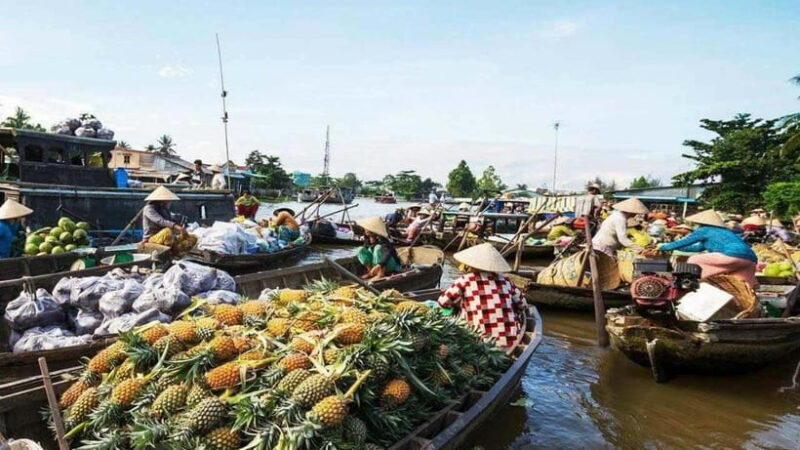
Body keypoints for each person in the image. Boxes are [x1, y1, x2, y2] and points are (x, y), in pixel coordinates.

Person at [437, 243, 526, 349]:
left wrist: (459, 304)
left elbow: (443, 302)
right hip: (508, 343)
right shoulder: (506, 281)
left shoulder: (465, 280)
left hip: (477, 343)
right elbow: (523, 305)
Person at [658, 210, 757, 287]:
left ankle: (690, 285)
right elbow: (696, 248)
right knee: (743, 286)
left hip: (732, 255)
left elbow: (684, 241)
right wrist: (675, 249)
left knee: (694, 259)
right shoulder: (725, 231)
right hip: (750, 260)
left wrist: (663, 247)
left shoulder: (704, 230)